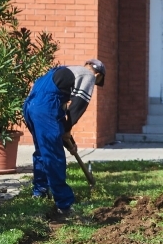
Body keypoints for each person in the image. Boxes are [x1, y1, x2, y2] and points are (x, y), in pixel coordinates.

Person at [23, 59, 106, 215]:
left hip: (30, 106)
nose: (94, 84)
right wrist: (67, 130)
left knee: (43, 150)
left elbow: (60, 114)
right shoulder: (88, 76)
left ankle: (39, 191)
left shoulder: (68, 71)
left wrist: (70, 142)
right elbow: (77, 106)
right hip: (45, 108)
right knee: (54, 156)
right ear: (98, 74)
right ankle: (64, 204)